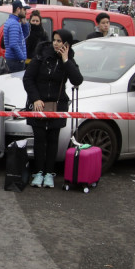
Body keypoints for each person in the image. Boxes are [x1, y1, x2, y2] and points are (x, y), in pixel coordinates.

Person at [23, 29, 83, 189]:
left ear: (67, 44)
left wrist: (65, 60)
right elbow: (28, 78)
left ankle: (49, 173)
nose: (56, 43)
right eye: (54, 40)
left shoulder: (68, 59)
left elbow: (77, 80)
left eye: (59, 41)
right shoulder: (41, 54)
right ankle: (38, 172)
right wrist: (36, 98)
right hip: (38, 104)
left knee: (52, 140)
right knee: (39, 139)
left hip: (57, 105)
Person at [2, 0, 30, 72]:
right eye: (24, 9)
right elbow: (13, 44)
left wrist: (25, 24)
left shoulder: (13, 21)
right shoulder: (14, 24)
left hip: (13, 60)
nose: (25, 12)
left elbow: (24, 37)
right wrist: (22, 58)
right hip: (15, 61)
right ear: (18, 9)